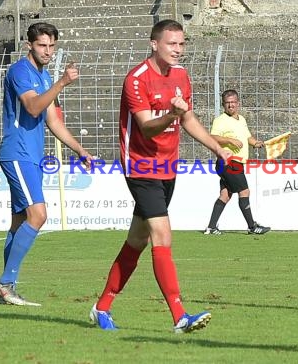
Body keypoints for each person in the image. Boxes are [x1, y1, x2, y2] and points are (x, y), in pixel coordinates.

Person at [89, 19, 231, 333]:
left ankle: (102, 307)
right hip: (140, 167)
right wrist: (171, 113)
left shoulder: (181, 75)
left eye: (182, 44)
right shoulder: (137, 79)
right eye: (172, 44)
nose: (178, 50)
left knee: (136, 241)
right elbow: (145, 125)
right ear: (155, 44)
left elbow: (189, 120)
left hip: (168, 167)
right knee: (162, 235)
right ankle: (180, 316)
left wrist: (216, 148)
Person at [0, 22, 93, 306]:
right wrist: (62, 82)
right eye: (42, 45)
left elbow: (52, 121)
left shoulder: (44, 74)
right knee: (38, 216)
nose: (47, 51)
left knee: (20, 222)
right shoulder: (19, 71)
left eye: (52, 46)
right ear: (29, 46)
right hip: (17, 153)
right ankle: (4, 283)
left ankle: (7, 287)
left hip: (32, 156)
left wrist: (80, 150)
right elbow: (33, 107)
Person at [203, 89, 270, 236]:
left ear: (238, 103)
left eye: (233, 102)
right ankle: (252, 226)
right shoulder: (220, 120)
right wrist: (229, 140)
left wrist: (256, 143)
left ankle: (211, 227)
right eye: (227, 103)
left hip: (236, 163)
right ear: (223, 104)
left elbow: (247, 137)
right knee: (244, 191)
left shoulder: (242, 119)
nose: (230, 106)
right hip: (229, 162)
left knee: (225, 195)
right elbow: (212, 136)